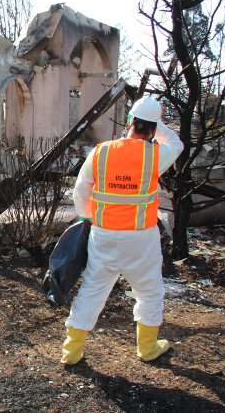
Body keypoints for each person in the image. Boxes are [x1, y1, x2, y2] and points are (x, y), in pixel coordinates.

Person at [60, 96, 184, 365]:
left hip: (103, 235)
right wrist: (158, 125)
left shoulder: (101, 152)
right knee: (149, 291)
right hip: (142, 239)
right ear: (153, 129)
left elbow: (81, 192)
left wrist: (89, 218)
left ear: (129, 122)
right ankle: (148, 347)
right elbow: (176, 143)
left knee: (92, 290)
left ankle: (72, 350)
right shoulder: (156, 155)